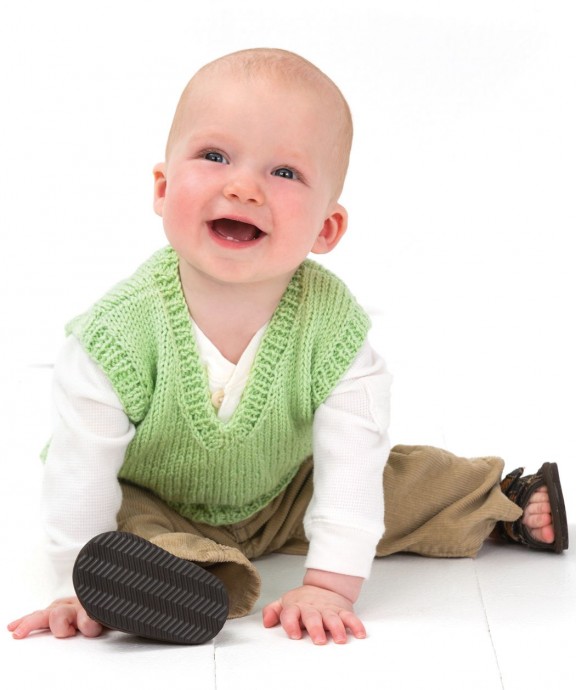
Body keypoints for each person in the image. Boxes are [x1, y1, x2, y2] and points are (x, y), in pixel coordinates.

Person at [7, 48, 568, 647]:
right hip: (160, 500)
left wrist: (329, 584)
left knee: (404, 477)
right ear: (164, 188)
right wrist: (74, 583)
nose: (243, 186)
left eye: (284, 173)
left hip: (289, 490)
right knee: (123, 526)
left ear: (326, 229)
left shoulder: (331, 329)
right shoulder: (118, 332)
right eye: (214, 156)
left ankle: (498, 500)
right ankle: (166, 580)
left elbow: (353, 456)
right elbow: (81, 469)